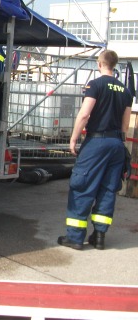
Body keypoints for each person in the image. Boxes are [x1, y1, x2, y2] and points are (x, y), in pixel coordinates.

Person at [57, 50, 132, 250]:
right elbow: (125, 126)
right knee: (108, 189)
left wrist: (73, 138)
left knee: (82, 186)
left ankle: (74, 237)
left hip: (96, 142)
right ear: (114, 65)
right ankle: (99, 237)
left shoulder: (95, 85)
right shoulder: (125, 91)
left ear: (100, 64)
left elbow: (84, 114)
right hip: (116, 144)